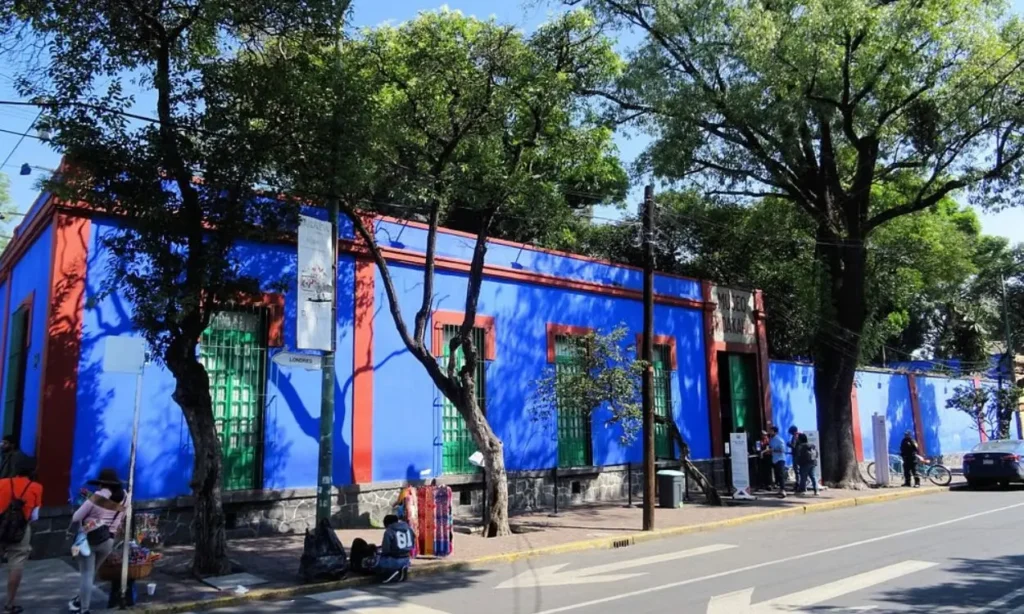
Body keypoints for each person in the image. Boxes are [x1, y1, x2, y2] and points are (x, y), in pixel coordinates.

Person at [69, 468, 126, 614]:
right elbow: (120, 519)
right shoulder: (125, 497)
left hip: (87, 539)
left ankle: (84, 609)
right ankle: (78, 601)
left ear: (101, 484)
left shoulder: (97, 496)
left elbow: (76, 517)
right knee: (92, 572)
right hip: (108, 540)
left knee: (86, 574)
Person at [0, 457, 42, 614]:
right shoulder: (36, 487)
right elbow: (35, 516)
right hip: (21, 529)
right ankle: (10, 604)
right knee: (16, 565)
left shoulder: (2, 483)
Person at [366, 514, 415, 584]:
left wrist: (378, 552)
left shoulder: (389, 531)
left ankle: (392, 572)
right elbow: (413, 542)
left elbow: (386, 550)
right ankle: (401, 568)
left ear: (387, 523)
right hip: (407, 559)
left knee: (371, 562)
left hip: (394, 560)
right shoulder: (408, 529)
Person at [769, 426, 787, 498]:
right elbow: (770, 447)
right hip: (774, 459)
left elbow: (782, 450)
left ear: (775, 432)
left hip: (780, 459)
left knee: (781, 475)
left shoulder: (779, 440)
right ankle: (780, 489)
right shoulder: (771, 439)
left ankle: (783, 490)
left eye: (771, 431)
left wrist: (773, 450)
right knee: (777, 475)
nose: (770, 432)